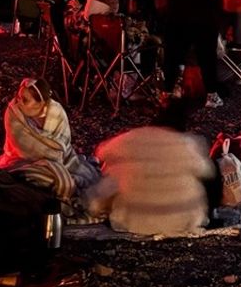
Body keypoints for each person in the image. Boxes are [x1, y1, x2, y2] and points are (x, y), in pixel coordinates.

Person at [0, 77, 108, 221]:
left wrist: (55, 153)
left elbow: (63, 144)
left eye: (25, 100)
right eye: (19, 96)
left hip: (62, 159)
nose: (19, 102)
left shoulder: (56, 112)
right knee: (42, 181)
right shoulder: (13, 113)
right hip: (22, 159)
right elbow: (24, 148)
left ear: (41, 103)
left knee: (87, 180)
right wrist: (52, 153)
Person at [93, 100, 216, 236]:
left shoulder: (132, 137)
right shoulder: (187, 144)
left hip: (130, 222)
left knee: (116, 171)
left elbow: (101, 152)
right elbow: (207, 172)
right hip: (181, 222)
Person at [153, 0, 227, 107]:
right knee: (207, 59)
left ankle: (169, 92)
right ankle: (211, 95)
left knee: (173, 57)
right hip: (204, 22)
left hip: (177, 21)